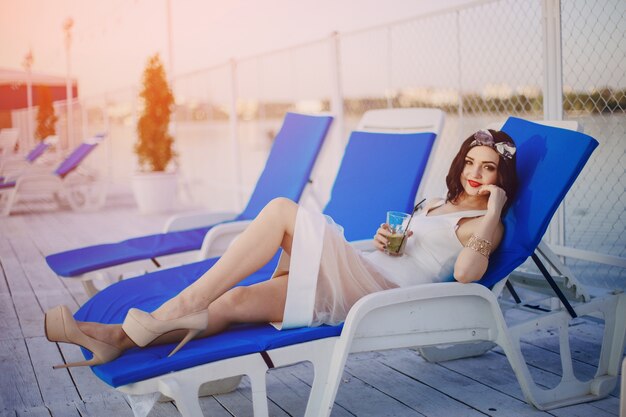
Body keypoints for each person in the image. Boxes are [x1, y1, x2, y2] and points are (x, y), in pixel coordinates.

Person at [44, 128, 518, 368]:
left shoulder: (482, 222)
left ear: (501, 179)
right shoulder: (435, 202)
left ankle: (181, 303)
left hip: (378, 294)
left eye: (489, 169)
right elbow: (407, 251)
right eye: (472, 162)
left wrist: (495, 210)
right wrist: (385, 243)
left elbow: (466, 276)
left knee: (279, 210)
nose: (476, 173)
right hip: (369, 268)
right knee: (233, 302)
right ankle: (111, 340)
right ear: (459, 164)